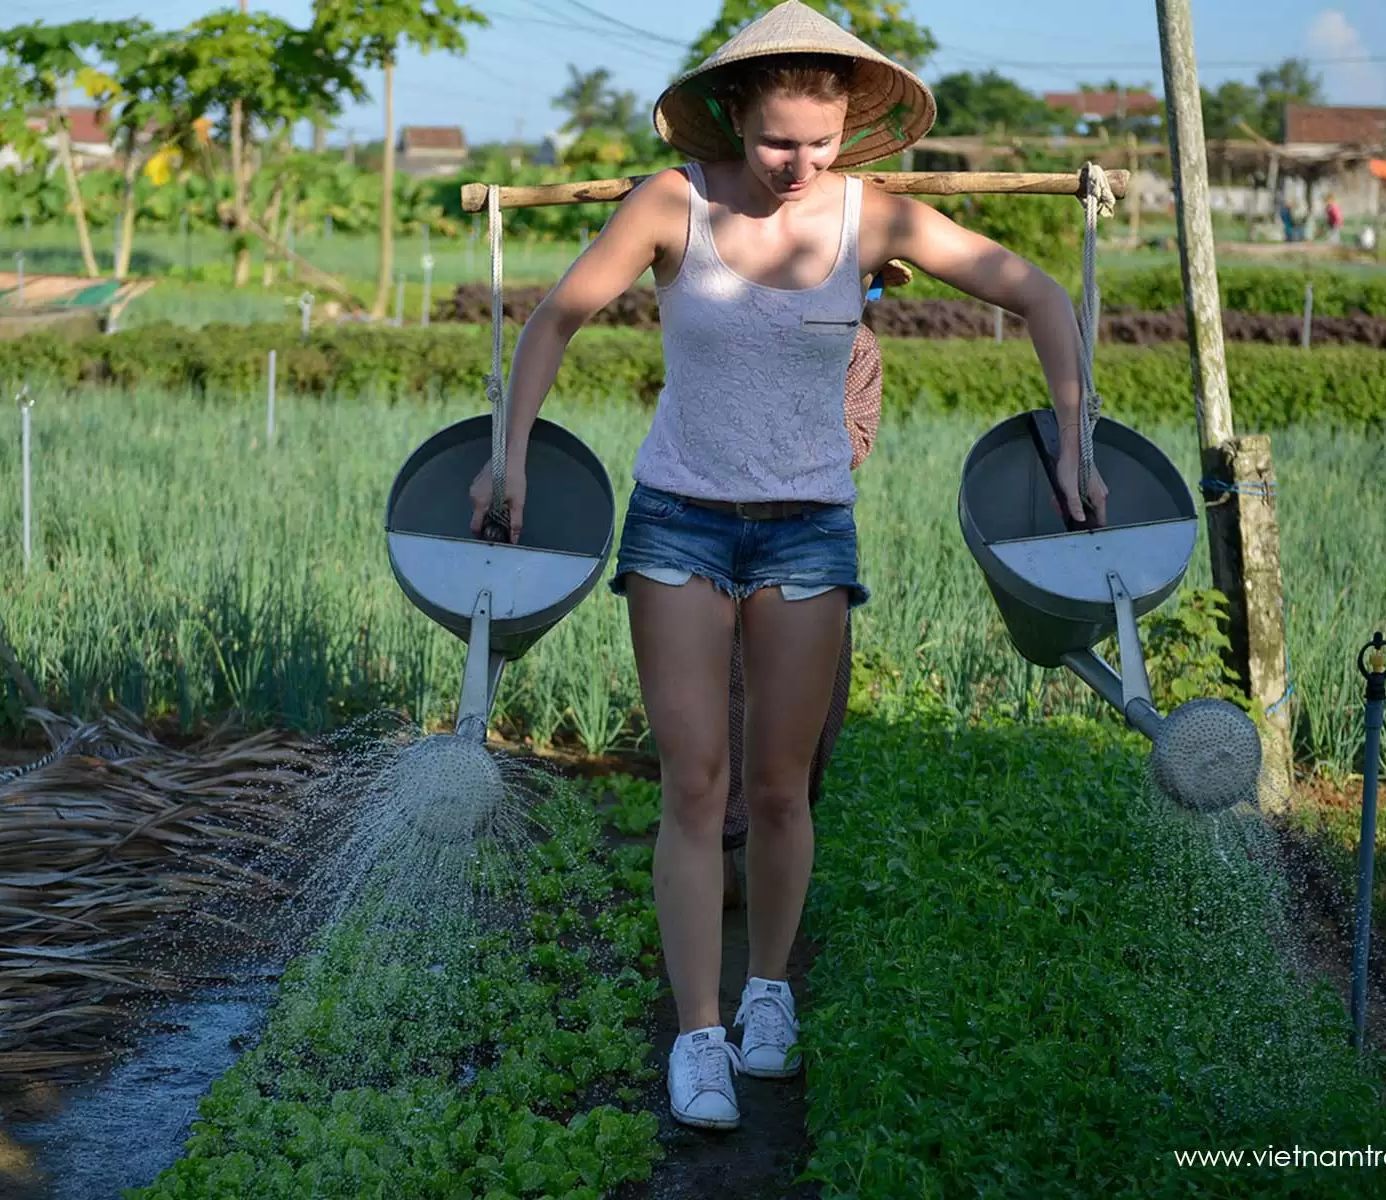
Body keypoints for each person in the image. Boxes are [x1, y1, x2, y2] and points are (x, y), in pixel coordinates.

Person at [466, 0, 1108, 1133]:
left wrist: (1075, 437)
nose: (797, 164)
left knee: (779, 785)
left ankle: (770, 999)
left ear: (846, 127)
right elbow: (557, 318)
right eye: (775, 142)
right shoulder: (675, 203)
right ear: (732, 122)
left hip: (810, 526)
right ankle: (698, 1034)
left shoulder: (871, 219)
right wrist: (506, 456)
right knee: (694, 781)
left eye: (817, 141)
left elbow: (1041, 294)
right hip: (678, 523)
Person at [719, 260, 906, 913]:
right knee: (730, 687)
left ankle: (780, 832)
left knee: (821, 694)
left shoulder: (858, 349)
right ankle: (722, 848)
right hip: (726, 528)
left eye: (861, 284)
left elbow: (855, 440)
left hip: (813, 534)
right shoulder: (741, 334)